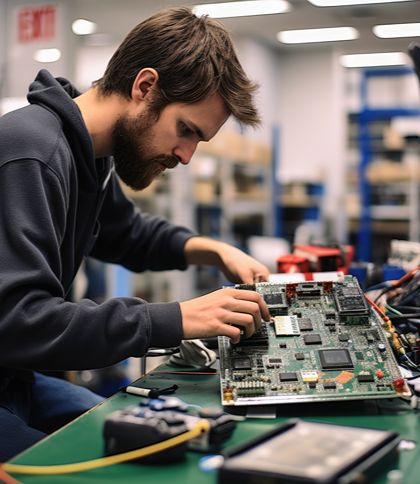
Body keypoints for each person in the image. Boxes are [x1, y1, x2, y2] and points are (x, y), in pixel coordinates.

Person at [0, 6, 270, 460]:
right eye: (185, 130)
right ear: (145, 87)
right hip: (10, 365)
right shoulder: (33, 153)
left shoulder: (89, 153)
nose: (186, 156)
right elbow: (16, 321)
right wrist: (173, 319)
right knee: (100, 465)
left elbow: (125, 232)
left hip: (16, 379)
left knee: (150, 441)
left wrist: (213, 251)